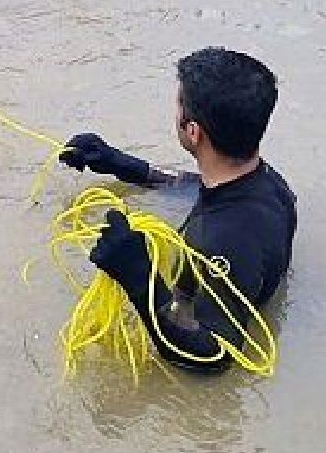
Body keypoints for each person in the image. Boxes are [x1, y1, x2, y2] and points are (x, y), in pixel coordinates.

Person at [59, 47, 297, 373]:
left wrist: (139, 276)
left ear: (193, 131)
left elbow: (213, 357)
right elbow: (196, 186)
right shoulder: (269, 183)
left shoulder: (222, 242)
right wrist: (122, 164)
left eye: (178, 104)